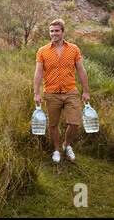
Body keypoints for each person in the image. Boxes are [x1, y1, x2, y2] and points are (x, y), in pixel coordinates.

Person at [33, 19, 90, 163]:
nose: (54, 33)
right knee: (53, 124)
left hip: (71, 91)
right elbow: (38, 72)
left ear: (63, 32)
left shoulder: (74, 49)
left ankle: (67, 144)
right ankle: (57, 150)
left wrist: (86, 91)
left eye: (57, 31)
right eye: (52, 31)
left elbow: (81, 70)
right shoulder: (43, 51)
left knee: (75, 123)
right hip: (51, 93)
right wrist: (36, 93)